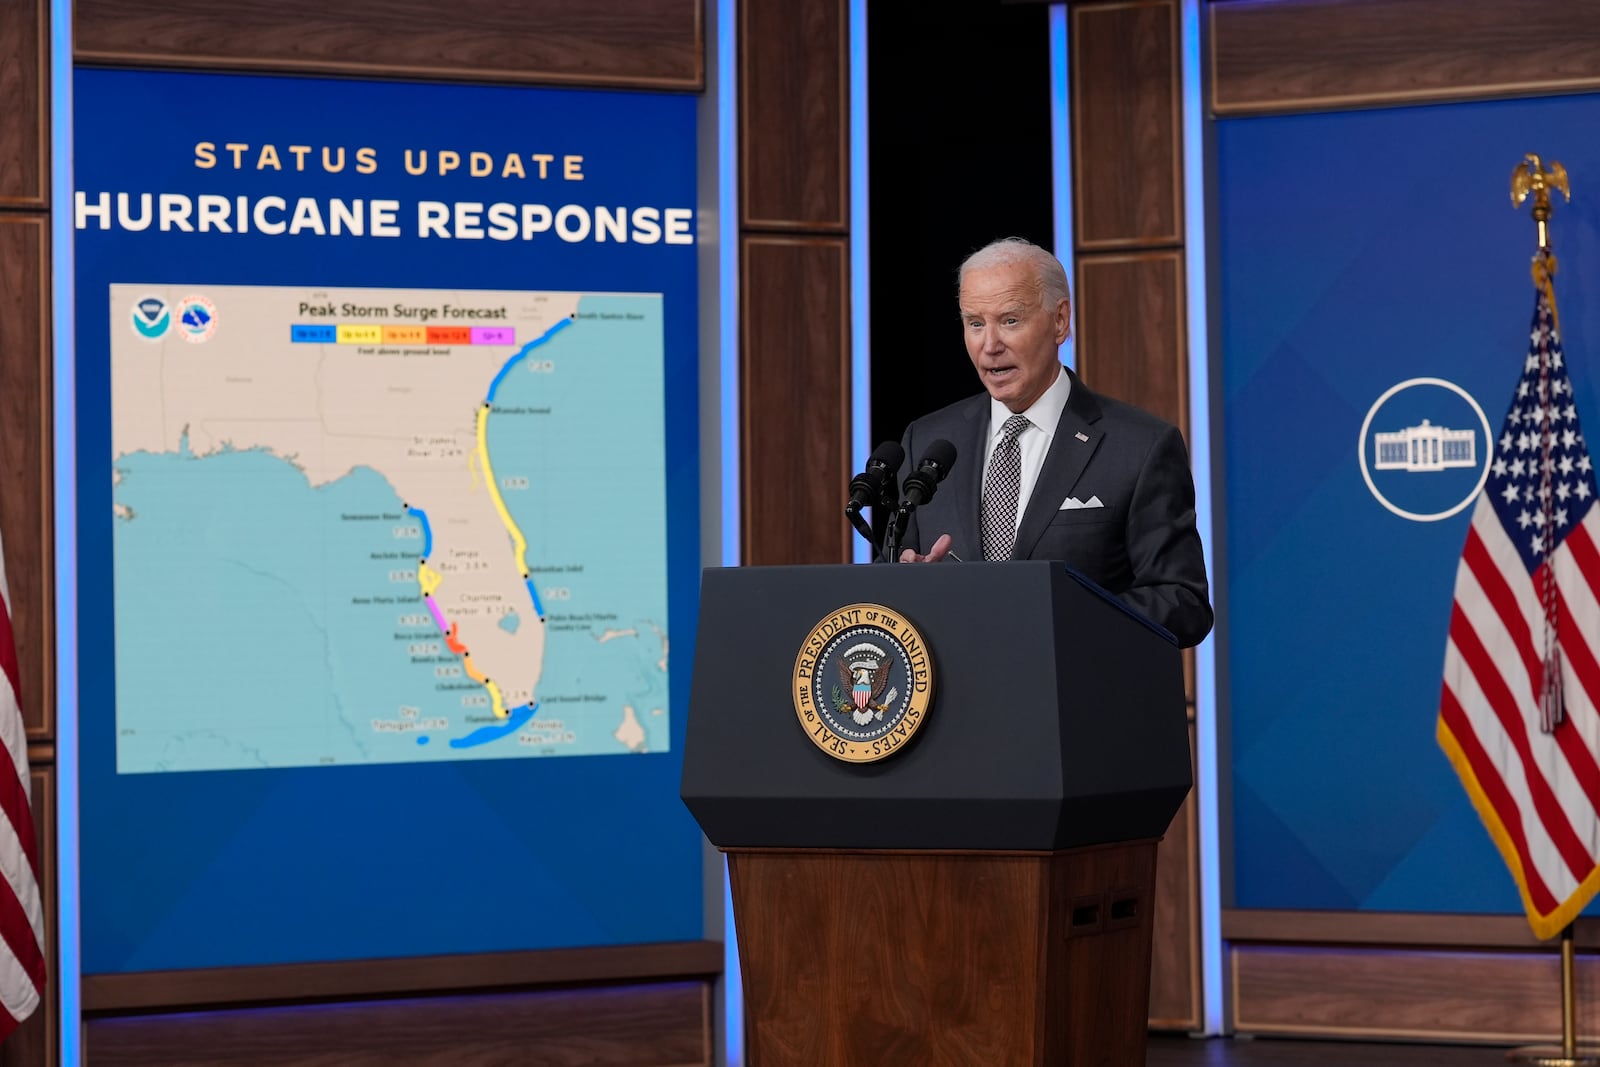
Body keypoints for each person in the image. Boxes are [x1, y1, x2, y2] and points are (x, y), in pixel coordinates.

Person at [891, 237, 1213, 649]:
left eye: (1010, 320)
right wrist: (913, 589)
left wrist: (1055, 616)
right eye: (975, 323)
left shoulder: (1140, 446)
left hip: (1077, 701)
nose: (989, 345)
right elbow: (892, 582)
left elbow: (1183, 602)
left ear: (1060, 321)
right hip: (961, 704)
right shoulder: (928, 441)